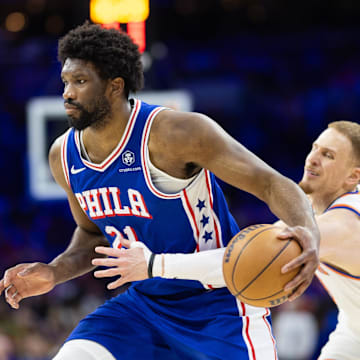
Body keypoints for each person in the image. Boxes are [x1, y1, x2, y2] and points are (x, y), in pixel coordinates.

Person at [0, 22, 319, 360]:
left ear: (114, 86)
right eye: (66, 82)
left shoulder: (177, 133)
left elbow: (271, 183)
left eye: (80, 82)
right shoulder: (62, 156)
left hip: (217, 303)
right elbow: (92, 234)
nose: (67, 93)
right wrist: (54, 271)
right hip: (142, 307)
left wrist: (308, 231)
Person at [298, 121, 360, 360]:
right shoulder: (315, 212)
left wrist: (172, 266)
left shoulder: (342, 224)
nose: (312, 159)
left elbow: (257, 250)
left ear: (352, 176)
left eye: (327, 155)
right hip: (353, 327)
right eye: (315, 148)